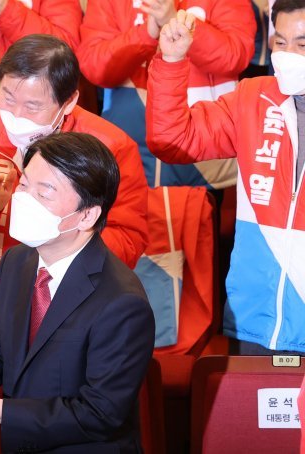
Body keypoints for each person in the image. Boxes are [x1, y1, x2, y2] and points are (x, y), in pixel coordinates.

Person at [0, 34, 148, 348]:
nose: (16, 116)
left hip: (70, 298)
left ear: (69, 101)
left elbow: (129, 239)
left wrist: (61, 243)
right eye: (7, 99)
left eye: (33, 106)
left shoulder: (110, 146)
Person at [0, 132, 155, 453]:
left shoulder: (122, 301)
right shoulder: (17, 261)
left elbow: (101, 413)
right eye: (24, 185)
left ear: (87, 215)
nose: (23, 199)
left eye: (44, 193)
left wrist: (3, 412)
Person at [146, 1, 305, 354]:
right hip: (253, 320)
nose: (289, 55)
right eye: (280, 43)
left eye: (302, 45)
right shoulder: (253, 97)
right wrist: (172, 63)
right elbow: (173, 139)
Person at [77, 0, 255, 188]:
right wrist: (146, 33)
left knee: (198, 215)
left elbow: (236, 55)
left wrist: (175, 23)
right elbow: (94, 66)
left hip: (203, 160)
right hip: (127, 152)